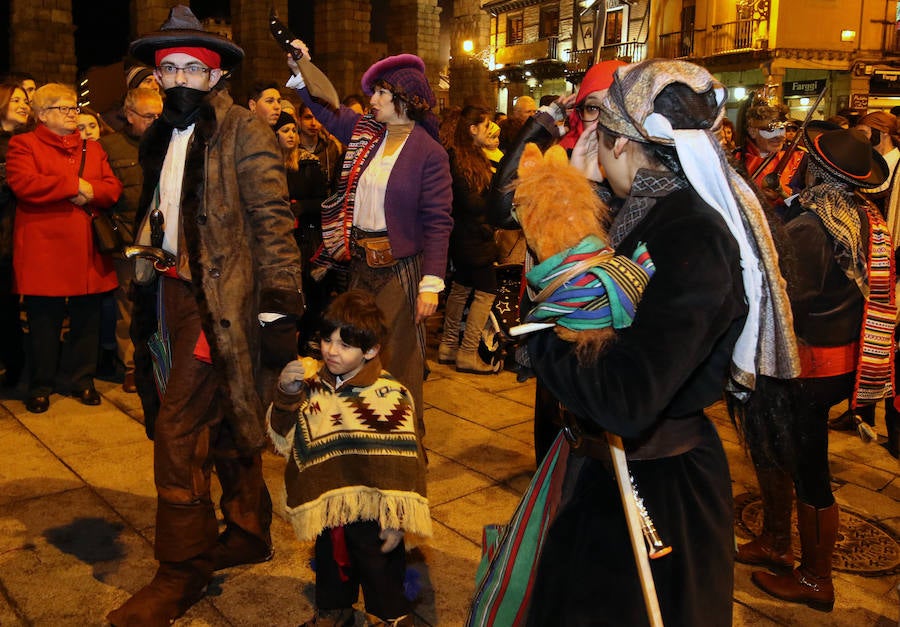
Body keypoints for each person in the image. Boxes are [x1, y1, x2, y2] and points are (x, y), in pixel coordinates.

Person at [522, 59, 798, 626]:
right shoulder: (642, 213)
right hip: (606, 475)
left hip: (659, 490)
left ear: (622, 144)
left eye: (600, 139)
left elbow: (626, 398)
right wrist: (574, 192)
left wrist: (542, 334)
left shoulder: (693, 235)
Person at [106, 6, 305, 625]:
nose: (182, 79)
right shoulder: (160, 133)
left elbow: (273, 222)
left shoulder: (246, 130)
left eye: (195, 67)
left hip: (221, 303)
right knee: (217, 417)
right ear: (157, 78)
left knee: (177, 433)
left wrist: (278, 311)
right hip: (166, 296)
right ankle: (247, 529)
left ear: (216, 75)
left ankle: (181, 571)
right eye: (170, 69)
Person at [735, 122, 893, 610]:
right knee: (775, 451)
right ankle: (777, 542)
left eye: (805, 159)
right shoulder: (859, 215)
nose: (796, 163)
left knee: (809, 469)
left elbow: (787, 301)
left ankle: (815, 578)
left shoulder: (812, 226)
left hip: (808, 367)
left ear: (818, 170)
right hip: (838, 360)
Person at [286, 45, 453, 437]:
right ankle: (358, 436)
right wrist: (302, 67)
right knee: (353, 353)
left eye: (380, 93)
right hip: (361, 264)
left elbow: (439, 221)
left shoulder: (430, 152)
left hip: (401, 270)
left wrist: (432, 282)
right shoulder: (368, 133)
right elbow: (328, 109)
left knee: (400, 360)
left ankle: (408, 447)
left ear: (404, 100)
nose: (372, 100)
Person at [268, 289, 429, 627]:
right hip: (328, 500)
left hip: (375, 510)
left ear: (370, 350)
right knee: (329, 559)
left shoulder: (390, 395)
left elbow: (407, 464)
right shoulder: (314, 385)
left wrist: (397, 521)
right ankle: (334, 611)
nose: (330, 350)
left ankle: (390, 617)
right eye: (327, 339)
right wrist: (286, 391)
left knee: (379, 567)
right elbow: (283, 437)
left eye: (344, 344)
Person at [6, 83, 123, 414]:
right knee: (44, 322)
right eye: (65, 108)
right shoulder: (23, 145)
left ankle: (82, 380)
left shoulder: (92, 149)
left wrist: (90, 190)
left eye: (74, 108)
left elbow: (112, 188)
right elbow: (24, 184)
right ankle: (41, 384)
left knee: (87, 319)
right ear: (43, 114)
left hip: (87, 248)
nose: (74, 113)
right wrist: (75, 186)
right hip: (45, 249)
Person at [98, 86, 163, 393]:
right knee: (128, 305)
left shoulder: (169, 143)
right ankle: (131, 367)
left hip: (163, 238)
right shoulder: (108, 147)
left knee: (163, 304)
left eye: (159, 115)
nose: (155, 121)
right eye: (149, 116)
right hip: (127, 237)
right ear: (129, 115)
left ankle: (161, 362)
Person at [439, 105, 500, 374]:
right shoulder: (459, 159)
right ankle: (467, 352)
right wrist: (494, 195)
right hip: (472, 236)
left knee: (462, 285)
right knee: (487, 291)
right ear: (472, 129)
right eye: (486, 125)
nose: (491, 130)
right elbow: (471, 202)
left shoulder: (471, 155)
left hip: (466, 236)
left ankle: (449, 346)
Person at [273, 110, 333, 356]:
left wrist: (302, 207)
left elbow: (324, 200)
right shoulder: (269, 165)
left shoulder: (309, 163)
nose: (291, 136)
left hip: (307, 238)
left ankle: (307, 336)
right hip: (280, 238)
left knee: (312, 291)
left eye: (293, 131)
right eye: (285, 131)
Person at [0, 83, 31, 389]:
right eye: (17, 100)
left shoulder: (26, 140)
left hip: (20, 234)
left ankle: (16, 366)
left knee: (10, 307)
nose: (24, 104)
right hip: (4, 236)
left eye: (26, 100)